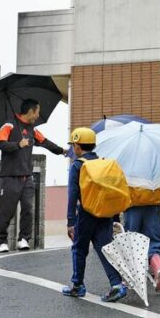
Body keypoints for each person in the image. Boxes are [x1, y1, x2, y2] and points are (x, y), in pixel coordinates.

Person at [61, 127, 127, 302]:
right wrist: (115, 217)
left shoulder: (78, 165)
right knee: (105, 249)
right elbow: (111, 191)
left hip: (86, 213)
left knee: (79, 248)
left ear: (77, 145)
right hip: (105, 213)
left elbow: (73, 194)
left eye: (73, 145)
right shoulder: (103, 163)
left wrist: (70, 220)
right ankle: (117, 285)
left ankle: (77, 285)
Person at [0, 98, 65, 253]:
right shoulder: (9, 125)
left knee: (28, 208)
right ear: (31, 111)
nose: (38, 116)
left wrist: (62, 151)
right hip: (10, 176)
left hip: (27, 176)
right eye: (37, 112)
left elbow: (45, 142)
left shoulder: (32, 129)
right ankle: (1, 241)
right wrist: (18, 145)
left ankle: (24, 239)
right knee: (6, 211)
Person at [123, 199, 160, 291]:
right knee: (154, 242)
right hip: (152, 199)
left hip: (132, 201)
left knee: (131, 242)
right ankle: (158, 268)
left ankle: (132, 278)